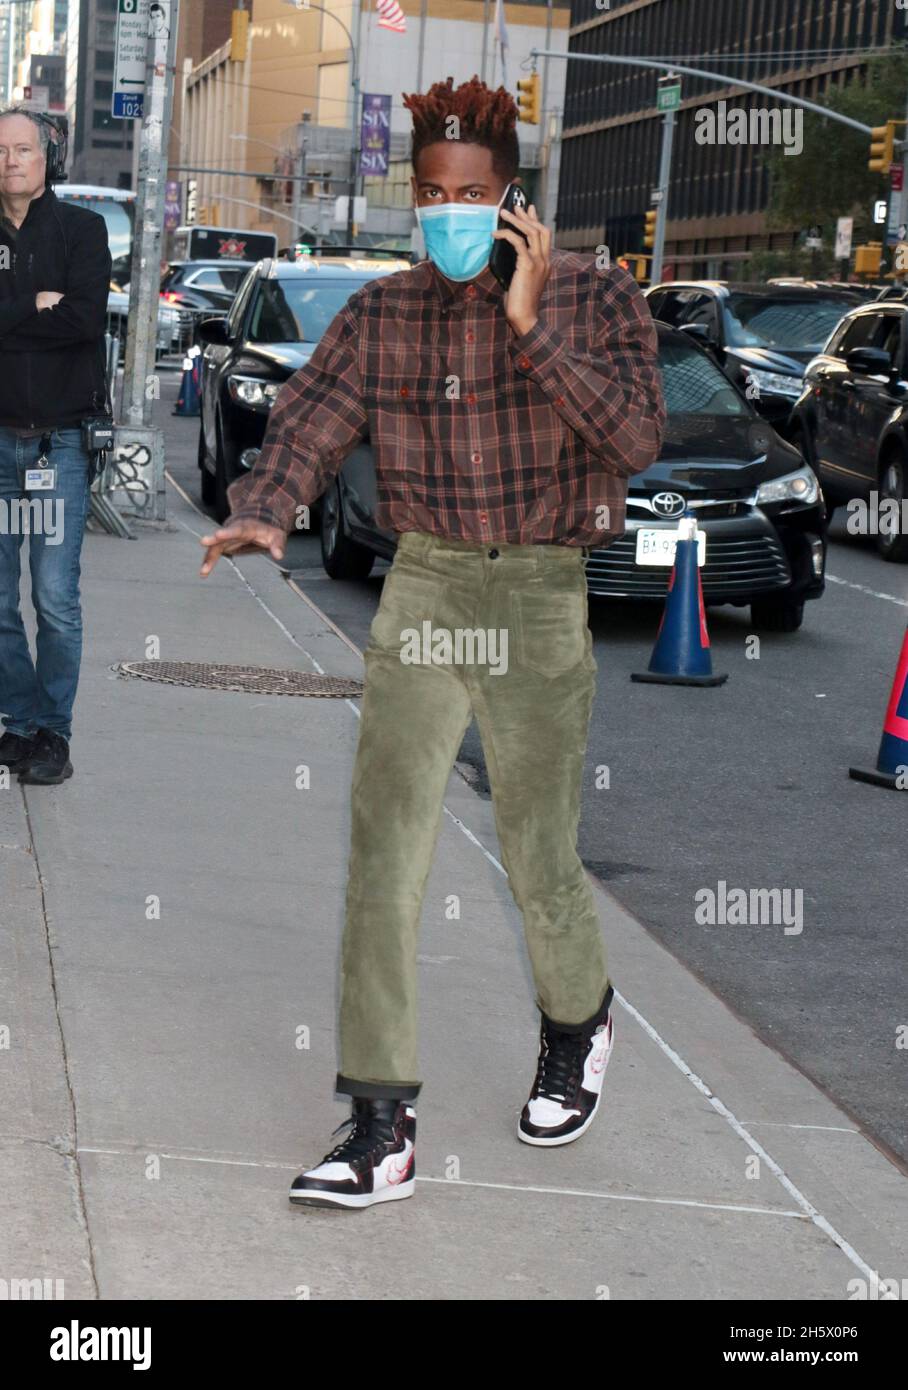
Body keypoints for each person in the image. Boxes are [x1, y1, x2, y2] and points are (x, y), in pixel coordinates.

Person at [199, 76, 666, 1210]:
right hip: (426, 588)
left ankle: (576, 1021)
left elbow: (635, 438)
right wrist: (267, 501)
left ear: (513, 197)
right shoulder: (382, 312)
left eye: (472, 191)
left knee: (537, 852)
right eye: (430, 191)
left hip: (543, 593)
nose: (449, 208)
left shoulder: (595, 300)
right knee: (385, 854)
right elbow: (310, 414)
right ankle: (378, 1121)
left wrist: (526, 322)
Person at [0, 107, 112, 785]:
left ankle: (53, 733)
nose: (9, 160)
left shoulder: (82, 230)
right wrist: (33, 306)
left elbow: (86, 319)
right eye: (0, 150)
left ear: (48, 160)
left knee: (53, 597)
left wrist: (34, 312)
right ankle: (19, 725)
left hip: (57, 449)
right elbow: (56, 318)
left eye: (22, 149)